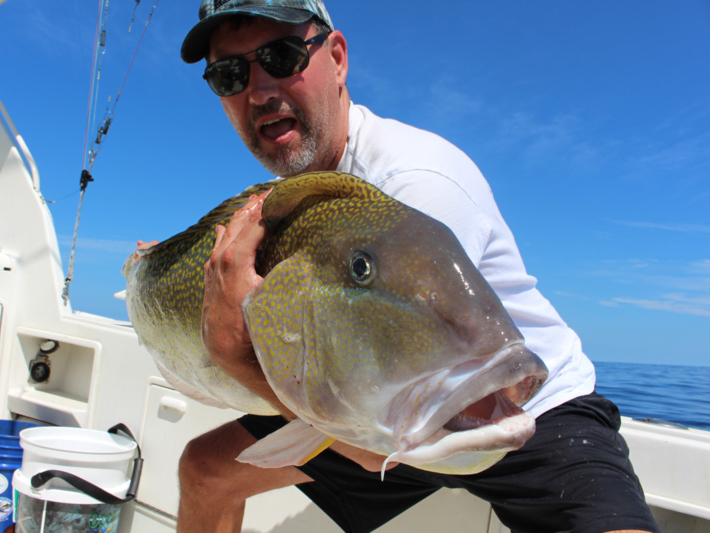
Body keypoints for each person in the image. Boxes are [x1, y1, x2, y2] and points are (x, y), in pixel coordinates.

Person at [173, 1, 661, 532]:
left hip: (522, 408)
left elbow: (370, 442)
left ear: (336, 58)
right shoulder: (305, 199)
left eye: (282, 55)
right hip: (397, 398)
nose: (260, 89)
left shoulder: (417, 185)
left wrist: (235, 356)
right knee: (204, 470)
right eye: (229, 74)